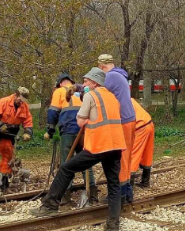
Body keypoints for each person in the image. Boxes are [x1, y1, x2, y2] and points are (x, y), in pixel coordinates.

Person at [30, 68, 124, 230]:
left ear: (94, 82)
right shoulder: (113, 97)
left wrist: (87, 118)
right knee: (114, 184)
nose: (84, 84)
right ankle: (113, 224)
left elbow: (80, 121)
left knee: (66, 168)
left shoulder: (91, 95)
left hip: (98, 145)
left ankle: (50, 205)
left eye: (86, 81)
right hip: (115, 146)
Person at [45, 73, 97, 203]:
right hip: (84, 131)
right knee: (86, 162)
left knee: (66, 163)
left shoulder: (59, 91)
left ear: (60, 83)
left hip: (68, 130)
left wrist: (50, 131)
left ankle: (65, 195)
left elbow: (53, 112)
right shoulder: (80, 91)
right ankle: (92, 193)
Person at [97, 54, 136, 202]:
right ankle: (127, 193)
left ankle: (120, 195)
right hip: (129, 119)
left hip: (123, 121)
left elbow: (97, 90)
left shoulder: (111, 76)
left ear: (101, 66)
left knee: (121, 158)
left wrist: (80, 90)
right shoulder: (119, 75)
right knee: (125, 157)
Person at [0, 86, 33, 191]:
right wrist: (0, 126)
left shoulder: (24, 106)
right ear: (16, 95)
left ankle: (3, 185)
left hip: (10, 138)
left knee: (8, 162)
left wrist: (27, 132)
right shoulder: (4, 102)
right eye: (20, 99)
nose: (21, 102)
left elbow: (28, 121)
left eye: (23, 101)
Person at [129, 97, 154, 189]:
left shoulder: (120, 102)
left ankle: (129, 186)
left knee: (133, 154)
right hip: (148, 122)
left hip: (140, 127)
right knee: (147, 153)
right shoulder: (129, 99)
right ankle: (145, 181)